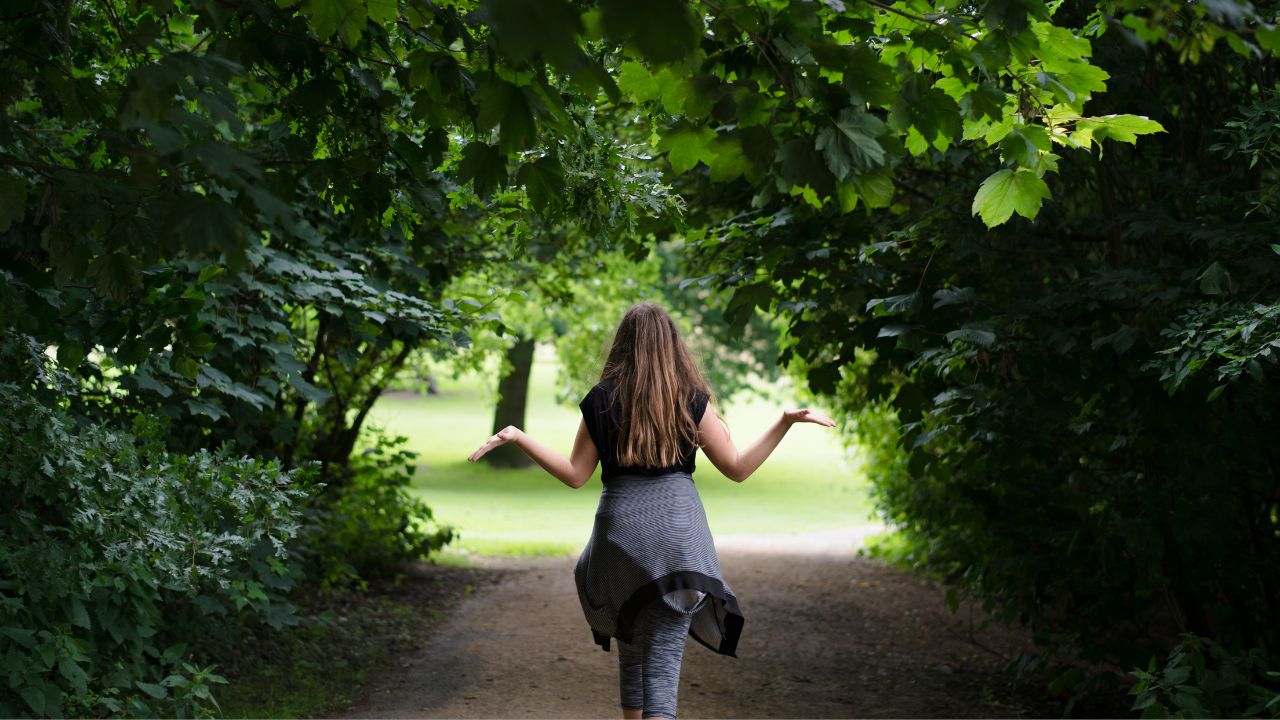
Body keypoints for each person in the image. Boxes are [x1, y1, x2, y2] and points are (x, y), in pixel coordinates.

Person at [466, 301, 835, 719]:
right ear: (673, 347)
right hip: (678, 538)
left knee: (631, 644)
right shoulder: (691, 401)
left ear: (621, 345)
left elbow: (574, 475)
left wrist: (519, 437)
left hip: (621, 538)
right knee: (662, 665)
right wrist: (782, 422)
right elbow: (737, 468)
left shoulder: (601, 399)